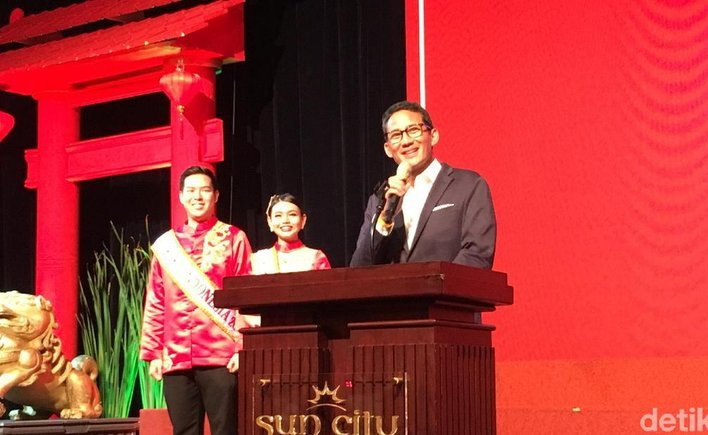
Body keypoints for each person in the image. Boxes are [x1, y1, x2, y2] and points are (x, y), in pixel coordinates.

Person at [140, 166, 254, 435]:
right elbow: (156, 299)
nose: (198, 197)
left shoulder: (234, 238)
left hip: (221, 356)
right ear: (181, 196)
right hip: (176, 357)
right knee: (184, 430)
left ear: (216, 195)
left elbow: (246, 296)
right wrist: (153, 353)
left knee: (226, 429)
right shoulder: (167, 246)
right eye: (191, 191)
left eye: (204, 190)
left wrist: (242, 347)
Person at [350, 101, 496, 268]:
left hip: (446, 286)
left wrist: (433, 281)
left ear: (433, 136)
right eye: (396, 135)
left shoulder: (468, 186)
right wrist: (384, 220)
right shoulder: (380, 201)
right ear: (388, 149)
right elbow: (358, 268)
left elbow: (477, 256)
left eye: (413, 130)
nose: (406, 141)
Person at [250, 193, 331, 274]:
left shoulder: (316, 257)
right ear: (270, 221)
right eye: (278, 215)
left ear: (303, 220)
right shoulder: (257, 259)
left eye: (292, 214)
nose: (285, 220)